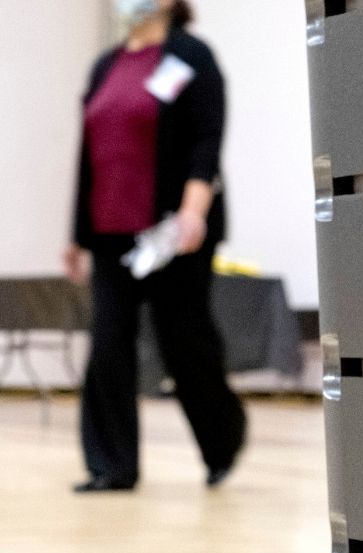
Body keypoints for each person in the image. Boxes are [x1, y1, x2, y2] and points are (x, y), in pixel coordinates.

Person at [65, 0, 246, 492]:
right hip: (110, 233)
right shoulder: (107, 64)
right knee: (107, 344)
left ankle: (222, 442)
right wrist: (76, 237)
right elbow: (91, 152)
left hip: (171, 233)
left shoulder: (191, 55)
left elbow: (206, 140)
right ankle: (112, 465)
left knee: (185, 344)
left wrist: (193, 210)